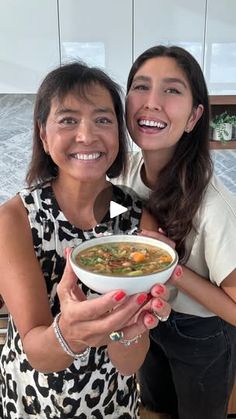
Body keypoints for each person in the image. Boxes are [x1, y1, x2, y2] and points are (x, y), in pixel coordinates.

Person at [0, 62, 174, 418]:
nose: (87, 135)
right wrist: (71, 331)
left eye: (103, 119)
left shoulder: (138, 219)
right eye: (67, 119)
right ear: (44, 136)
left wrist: (131, 327)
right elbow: (40, 353)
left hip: (109, 403)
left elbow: (128, 365)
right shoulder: (14, 219)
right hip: (34, 402)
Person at [112, 45, 236, 419]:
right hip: (151, 317)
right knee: (154, 410)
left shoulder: (214, 205)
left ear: (195, 115)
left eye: (172, 90)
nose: (152, 102)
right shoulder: (129, 170)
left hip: (203, 332)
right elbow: (121, 211)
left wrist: (171, 266)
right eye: (141, 86)